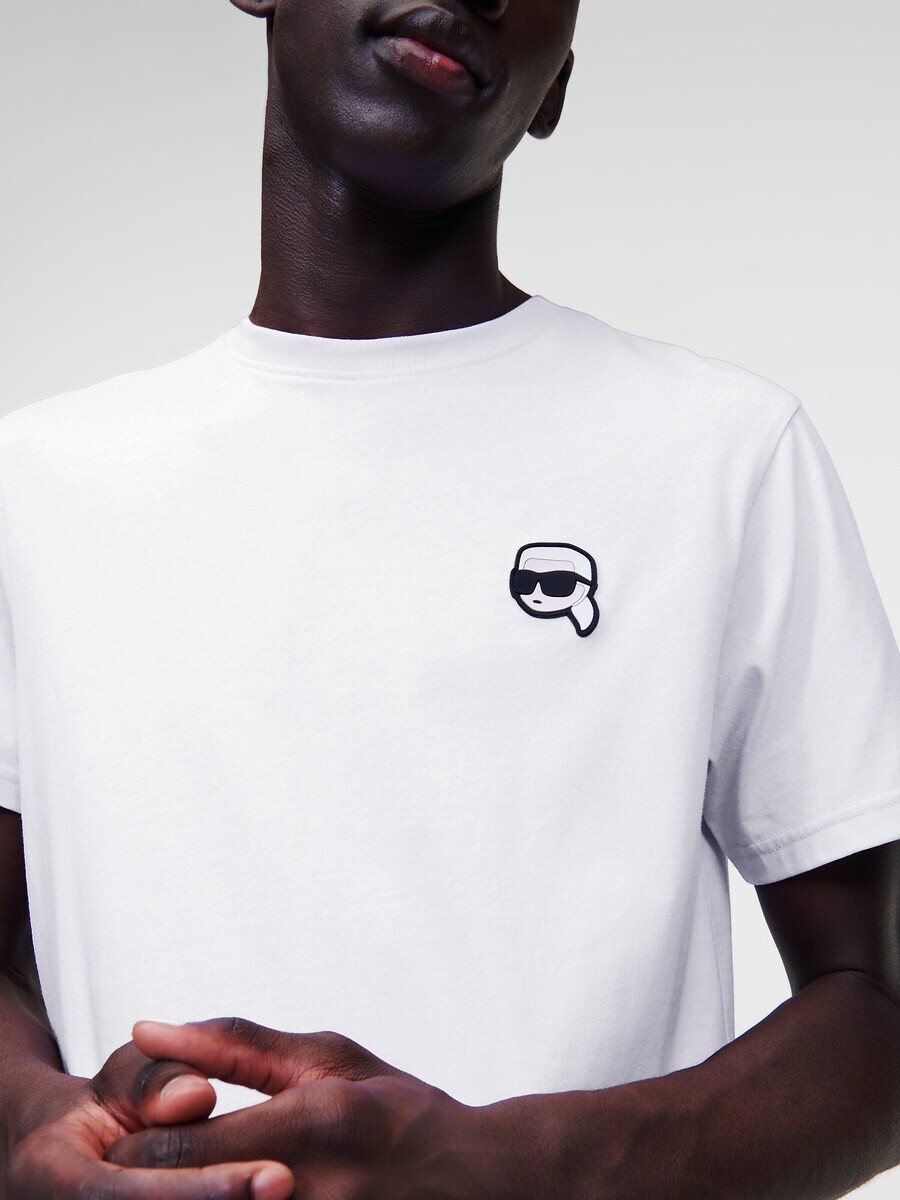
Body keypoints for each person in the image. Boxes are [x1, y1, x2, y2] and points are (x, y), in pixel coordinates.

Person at [1, 0, 899, 1196]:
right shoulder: (40, 488)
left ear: (556, 83)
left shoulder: (724, 457)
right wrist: (40, 1125)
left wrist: (504, 1167)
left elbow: (880, 1005)